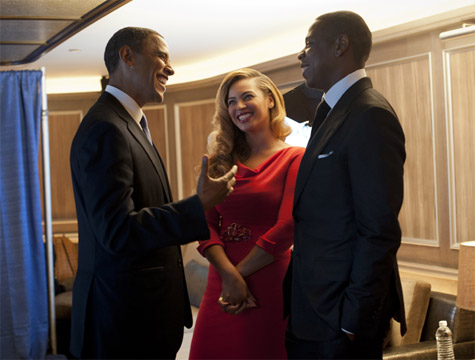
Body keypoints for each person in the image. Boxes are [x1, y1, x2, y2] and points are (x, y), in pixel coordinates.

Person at [69, 27, 237, 359]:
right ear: (127, 56)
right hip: (124, 323)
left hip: (144, 318)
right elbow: (118, 231)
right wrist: (197, 206)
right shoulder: (106, 128)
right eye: (161, 55)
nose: (171, 68)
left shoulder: (129, 124)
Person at [285, 11, 407, 359]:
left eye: (309, 44)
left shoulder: (370, 115)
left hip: (339, 316)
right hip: (311, 309)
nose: (301, 55)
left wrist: (354, 319)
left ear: (341, 45)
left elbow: (378, 229)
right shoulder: (331, 111)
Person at [189, 68, 305, 359]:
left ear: (269, 100)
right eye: (231, 101)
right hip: (220, 281)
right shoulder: (218, 162)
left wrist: (237, 277)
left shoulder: (295, 158)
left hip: (268, 280)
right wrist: (228, 276)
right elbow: (202, 224)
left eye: (247, 97)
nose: (238, 107)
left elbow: (287, 226)